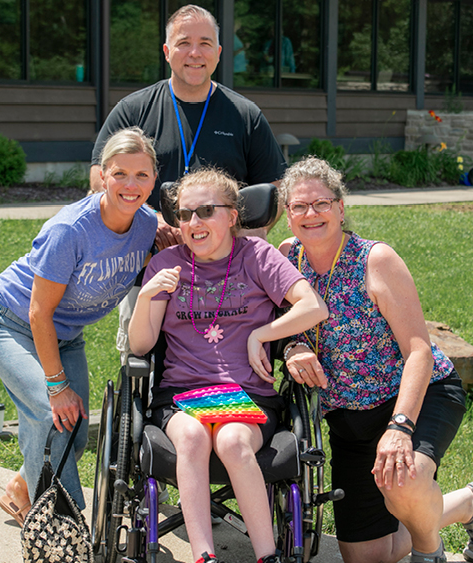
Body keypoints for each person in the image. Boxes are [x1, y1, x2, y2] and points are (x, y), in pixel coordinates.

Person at [277, 157, 473, 563]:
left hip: (418, 396)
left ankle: (429, 551)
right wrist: (294, 348)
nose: (311, 214)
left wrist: (400, 428)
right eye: (299, 206)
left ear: (341, 207)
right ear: (288, 215)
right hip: (348, 419)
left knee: (405, 481)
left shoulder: (375, 260)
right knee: (367, 558)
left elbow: (418, 348)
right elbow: (289, 324)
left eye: (322, 203)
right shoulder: (288, 258)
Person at [128, 168, 327, 563]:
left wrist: (262, 334)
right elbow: (141, 344)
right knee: (191, 438)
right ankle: (204, 556)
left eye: (205, 211)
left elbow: (312, 306)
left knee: (233, 442)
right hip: (181, 395)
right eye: (185, 215)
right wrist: (148, 295)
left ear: (233, 216)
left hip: (247, 395)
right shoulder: (167, 264)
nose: (193, 223)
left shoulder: (258, 256)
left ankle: (267, 555)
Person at [0, 127, 159, 526]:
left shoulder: (147, 226)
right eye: (120, 174)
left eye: (141, 175)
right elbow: (38, 313)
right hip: (11, 321)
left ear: (154, 179)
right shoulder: (70, 230)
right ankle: (66, 525)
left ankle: (22, 490)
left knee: (75, 432)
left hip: (66, 334)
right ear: (102, 175)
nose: (131, 185)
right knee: (51, 412)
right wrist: (57, 386)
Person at [91, 4, 289, 365]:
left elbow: (272, 191)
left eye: (205, 43)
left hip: (229, 278)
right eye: (183, 43)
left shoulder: (245, 116)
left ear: (218, 53)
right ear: (166, 52)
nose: (194, 53)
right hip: (148, 267)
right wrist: (154, 223)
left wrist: (226, 238)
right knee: (141, 365)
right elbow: (98, 178)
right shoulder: (133, 110)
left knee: (224, 367)